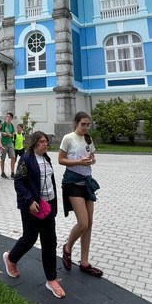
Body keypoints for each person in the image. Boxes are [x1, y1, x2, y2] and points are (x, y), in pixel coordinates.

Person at [2, 131, 65, 299]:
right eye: (43, 141)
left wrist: (54, 204)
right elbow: (19, 182)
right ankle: (11, 258)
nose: (46, 144)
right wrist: (29, 201)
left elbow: (49, 182)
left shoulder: (46, 159)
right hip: (32, 207)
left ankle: (51, 279)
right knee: (30, 237)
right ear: (35, 143)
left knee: (50, 241)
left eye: (46, 141)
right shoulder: (27, 159)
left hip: (47, 206)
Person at [58, 111, 102, 278]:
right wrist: (77, 162)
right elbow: (61, 160)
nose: (85, 127)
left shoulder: (88, 139)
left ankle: (84, 262)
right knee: (82, 223)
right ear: (76, 123)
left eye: (88, 124)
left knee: (89, 224)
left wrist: (91, 160)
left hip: (87, 182)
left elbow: (93, 158)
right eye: (83, 124)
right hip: (72, 182)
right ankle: (67, 247)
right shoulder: (68, 138)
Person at [0, 112, 16, 179]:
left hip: (10, 143)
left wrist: (10, 135)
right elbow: (0, 131)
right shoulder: (3, 124)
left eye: (9, 116)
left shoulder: (11, 125)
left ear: (11, 118)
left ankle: (12, 172)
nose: (8, 118)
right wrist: (4, 133)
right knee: (3, 158)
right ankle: (2, 172)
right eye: (7, 116)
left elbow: (12, 134)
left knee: (13, 157)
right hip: (3, 143)